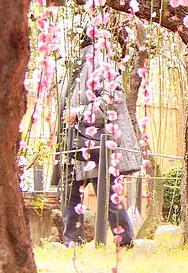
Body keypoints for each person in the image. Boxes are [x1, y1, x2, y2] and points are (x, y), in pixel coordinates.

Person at [52, 29, 141, 247]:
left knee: (109, 197)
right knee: (69, 196)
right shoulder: (71, 70)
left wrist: (80, 112)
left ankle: (125, 243)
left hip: (95, 144)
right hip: (72, 145)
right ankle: (72, 243)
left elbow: (113, 99)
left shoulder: (100, 65)